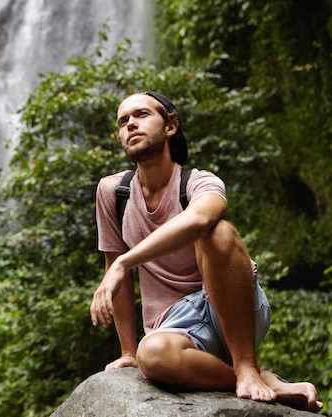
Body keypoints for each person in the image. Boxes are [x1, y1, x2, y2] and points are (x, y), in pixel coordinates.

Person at [89, 90, 323, 412]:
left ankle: (246, 367)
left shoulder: (198, 183)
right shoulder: (113, 193)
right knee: (151, 355)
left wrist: (125, 262)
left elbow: (202, 218)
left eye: (142, 115)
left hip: (231, 307)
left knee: (217, 231)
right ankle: (259, 378)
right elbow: (117, 275)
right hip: (176, 328)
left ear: (170, 126)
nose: (130, 124)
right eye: (123, 121)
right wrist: (129, 352)